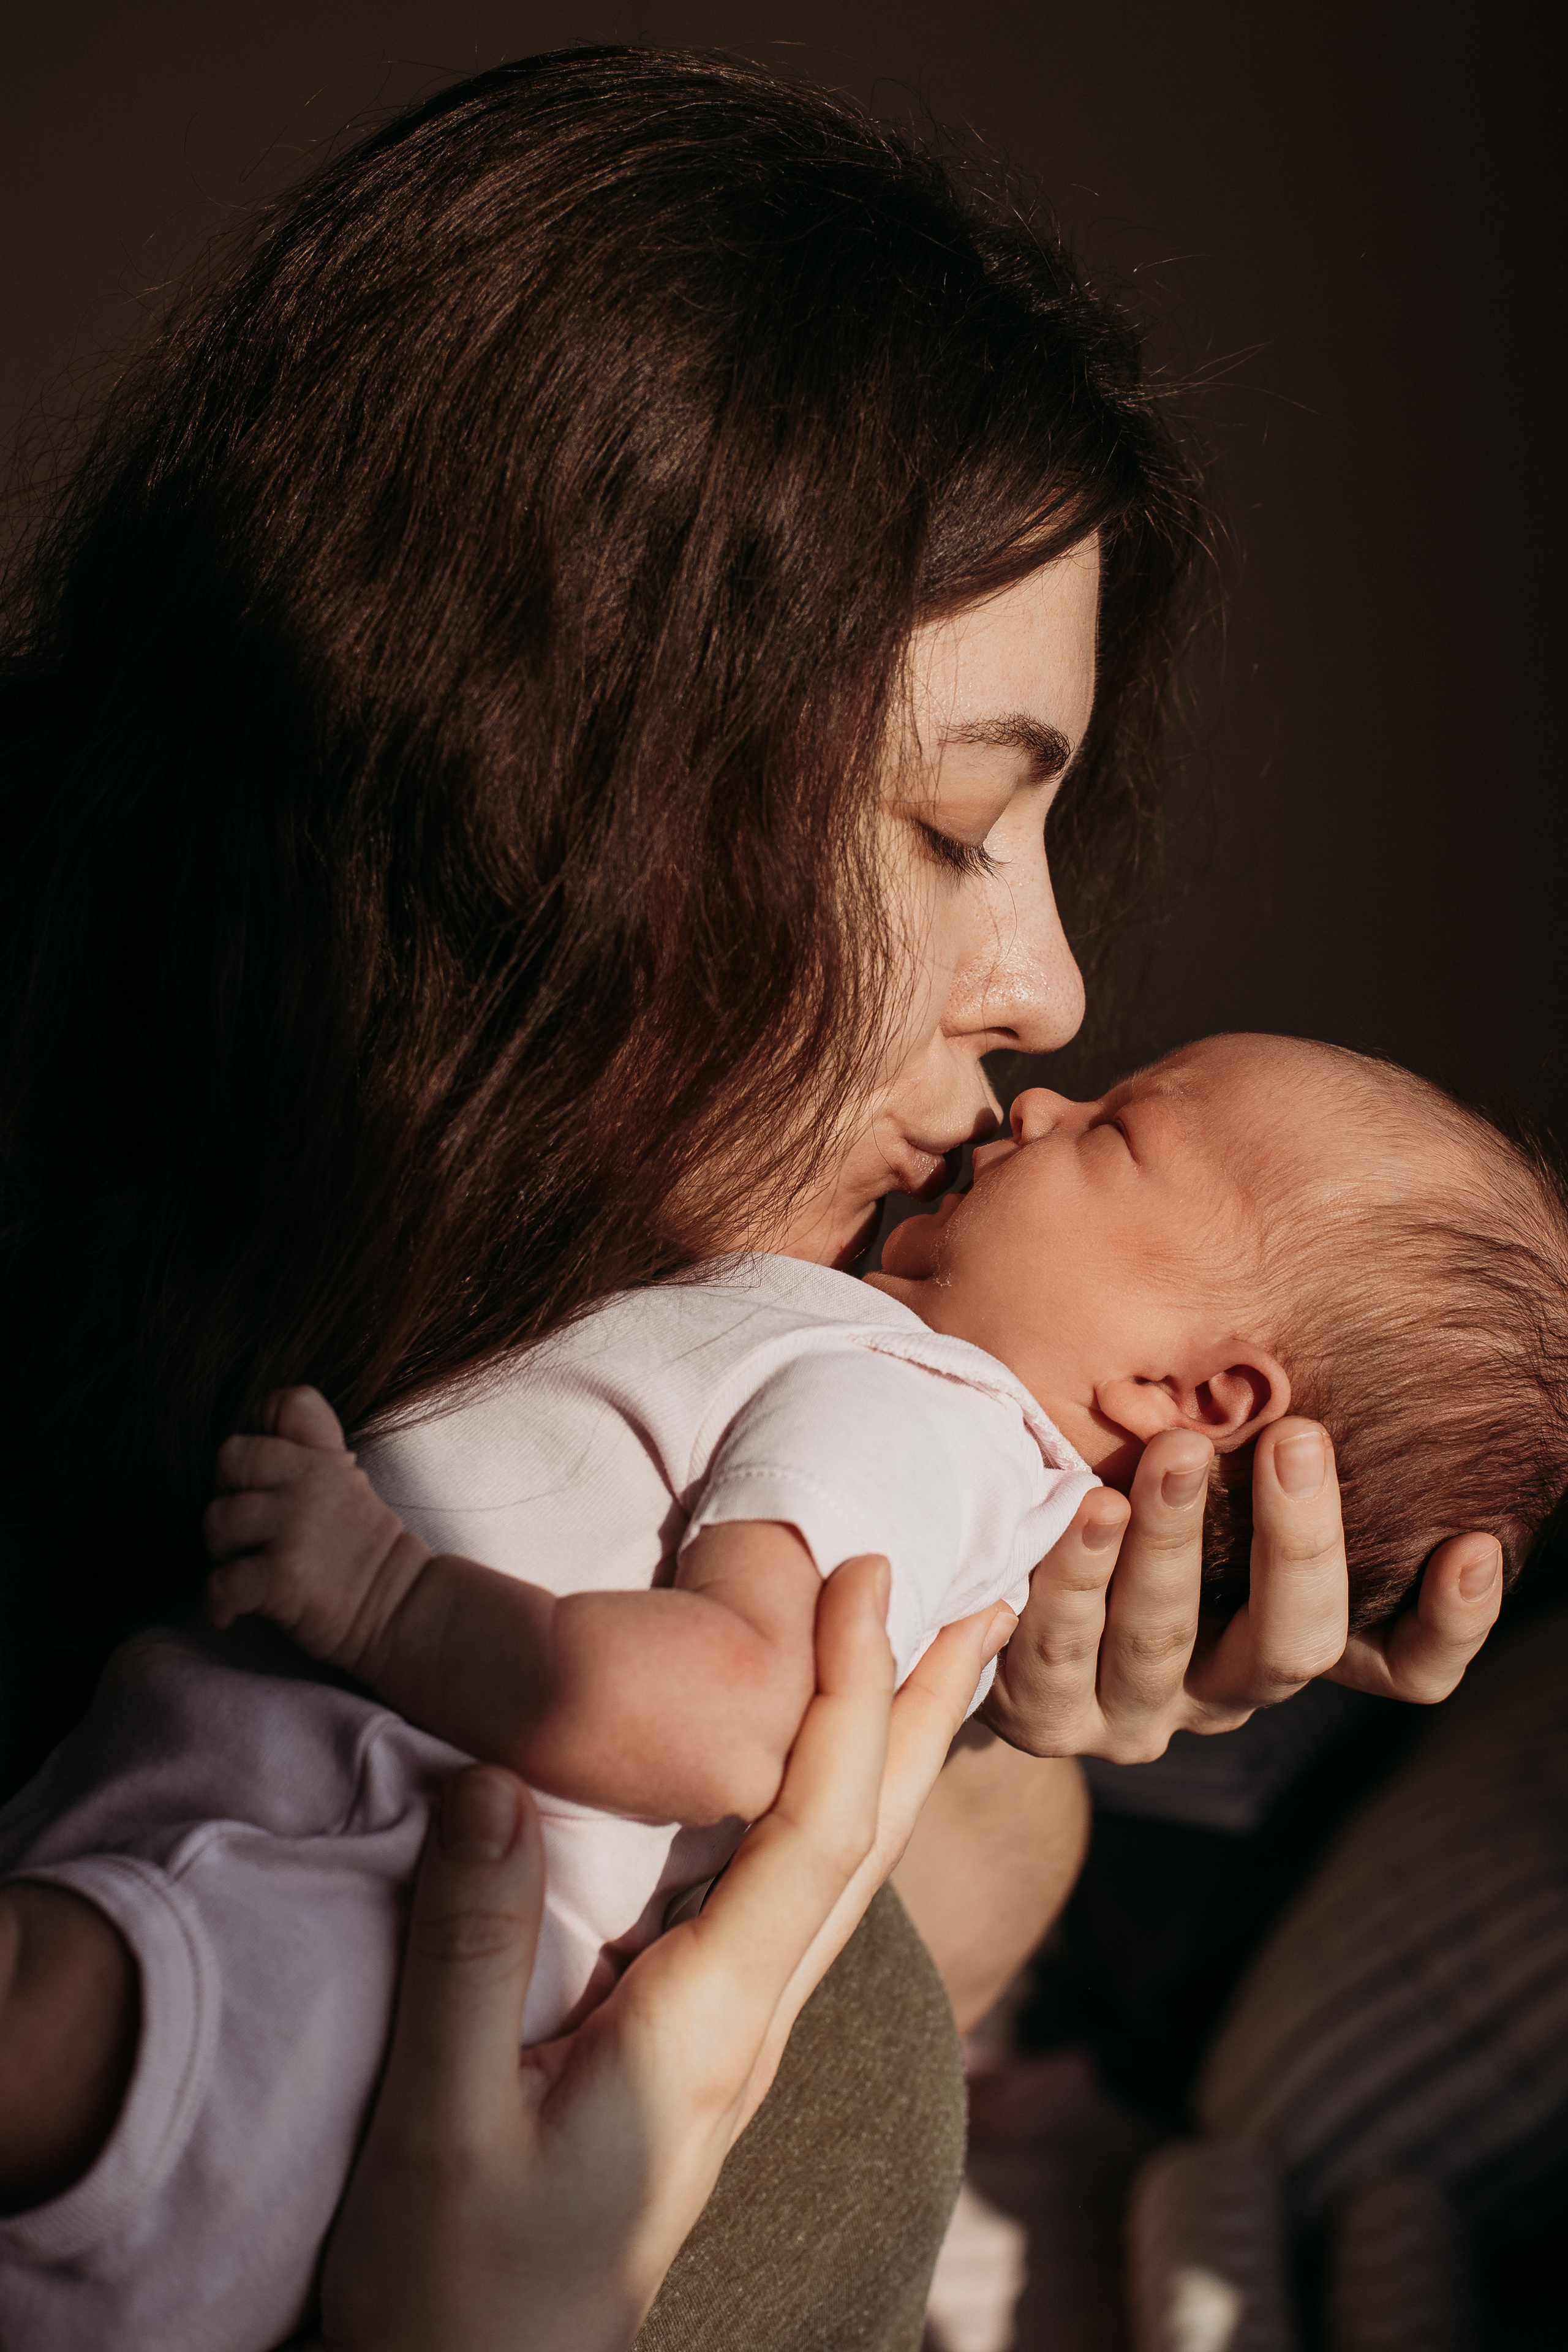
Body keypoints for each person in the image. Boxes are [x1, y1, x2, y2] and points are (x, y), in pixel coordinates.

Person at [0, 46, 1502, 2351]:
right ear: (533, 779)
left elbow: (881, 1884)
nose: (1053, 987)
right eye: (946, 827)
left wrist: (1003, 1698)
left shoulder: (773, 1349)